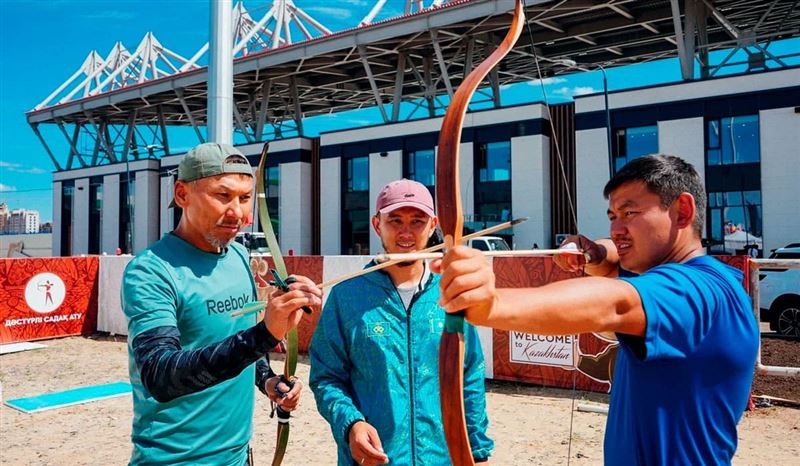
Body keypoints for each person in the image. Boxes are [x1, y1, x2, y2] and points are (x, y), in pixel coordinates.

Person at [434, 155, 759, 465]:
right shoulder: (712, 278)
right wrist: (595, 252)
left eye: (630, 213)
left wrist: (492, 304)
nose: (617, 229)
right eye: (612, 216)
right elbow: (615, 261)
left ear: (682, 212)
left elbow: (616, 303)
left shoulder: (694, 291)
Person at [121, 142, 322, 466]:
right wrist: (265, 334)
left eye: (245, 198)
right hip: (174, 459)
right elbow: (159, 374)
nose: (238, 213)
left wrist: (267, 380)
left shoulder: (240, 257)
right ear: (182, 194)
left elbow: (234, 339)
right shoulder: (152, 270)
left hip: (238, 455)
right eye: (222, 196)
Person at [309, 179, 494, 466]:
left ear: (433, 225)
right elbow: (326, 378)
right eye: (394, 220)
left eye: (417, 221)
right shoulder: (346, 297)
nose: (406, 232)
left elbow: (468, 374)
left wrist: (478, 453)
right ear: (376, 224)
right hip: (372, 459)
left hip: (444, 458)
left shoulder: (452, 294)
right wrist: (352, 425)